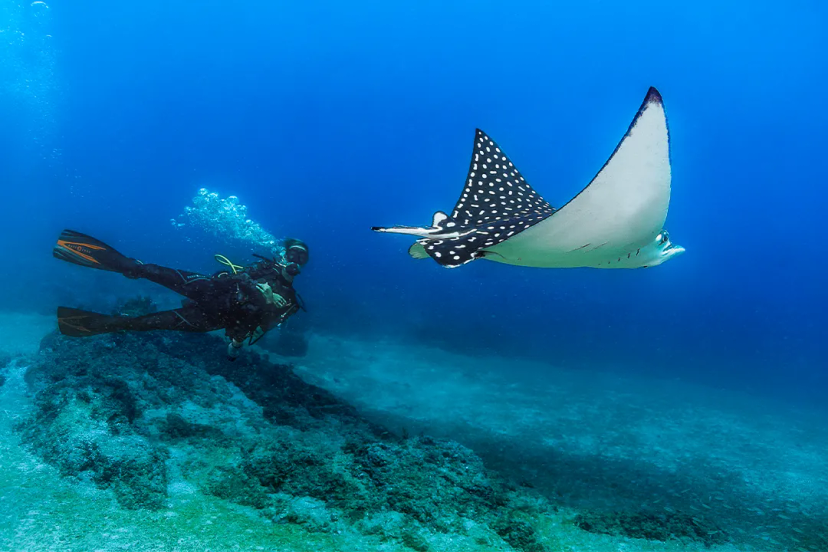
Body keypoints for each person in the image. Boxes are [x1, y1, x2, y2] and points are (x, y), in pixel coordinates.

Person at [53, 229, 309, 360]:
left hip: (209, 319)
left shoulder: (289, 301)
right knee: (141, 269)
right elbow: (229, 275)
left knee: (142, 324)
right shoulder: (261, 267)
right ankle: (78, 249)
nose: (294, 260)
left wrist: (236, 344)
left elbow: (257, 324)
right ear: (282, 255)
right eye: (292, 254)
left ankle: (94, 323)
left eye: (301, 257)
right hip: (206, 288)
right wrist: (225, 277)